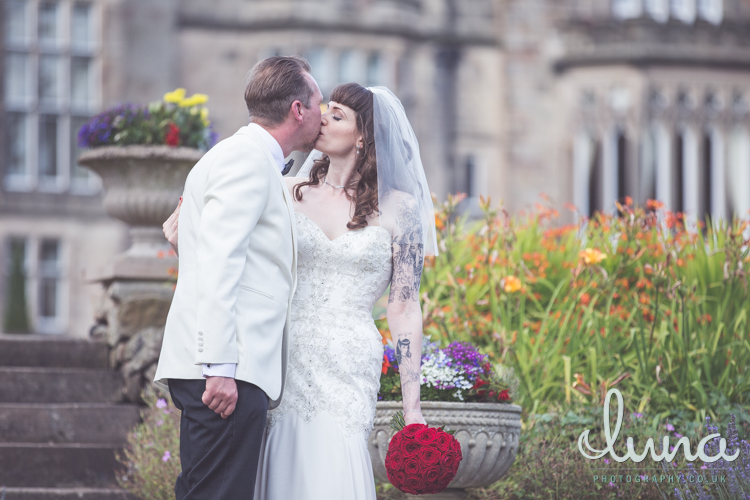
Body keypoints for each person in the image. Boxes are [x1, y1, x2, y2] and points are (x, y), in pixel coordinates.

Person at [164, 83, 438, 499]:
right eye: (323, 109)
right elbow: (230, 250)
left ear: (364, 135)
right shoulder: (284, 189)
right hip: (280, 353)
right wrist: (183, 236)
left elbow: (404, 307)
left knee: (331, 469)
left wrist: (412, 407)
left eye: (337, 114)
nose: (321, 118)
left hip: (347, 363)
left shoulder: (402, 210)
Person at [153, 56, 323, 499]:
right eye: (320, 102)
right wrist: (221, 368)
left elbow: (209, 245)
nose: (323, 114)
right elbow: (219, 261)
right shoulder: (245, 160)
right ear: (297, 110)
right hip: (227, 371)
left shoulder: (242, 157)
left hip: (228, 368)